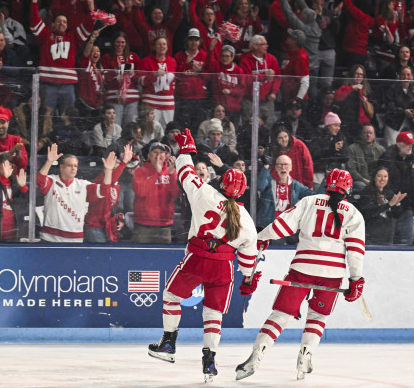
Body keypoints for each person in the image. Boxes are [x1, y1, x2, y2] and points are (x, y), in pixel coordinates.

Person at [147, 128, 258, 383]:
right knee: (213, 314)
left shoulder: (205, 192)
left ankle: (168, 343)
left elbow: (185, 173)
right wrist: (250, 278)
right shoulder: (247, 221)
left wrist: (187, 149)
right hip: (223, 269)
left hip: (197, 260)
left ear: (221, 182)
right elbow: (248, 260)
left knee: (170, 296)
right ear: (242, 192)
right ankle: (209, 361)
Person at [235, 169, 365, 382]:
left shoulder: (310, 201)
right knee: (317, 316)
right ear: (348, 189)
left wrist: (262, 237)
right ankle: (305, 357)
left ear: (327, 184)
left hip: (302, 268)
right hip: (331, 274)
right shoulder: (353, 213)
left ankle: (257, 354)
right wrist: (356, 279)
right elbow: (355, 251)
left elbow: (283, 225)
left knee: (281, 314)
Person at [36, 144, 92, 243]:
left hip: (75, 239)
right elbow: (39, 181)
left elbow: (104, 190)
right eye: (70, 165)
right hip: (50, 237)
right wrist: (49, 161)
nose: (73, 168)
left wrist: (110, 169)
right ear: (61, 167)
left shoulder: (83, 185)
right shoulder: (52, 180)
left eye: (75, 166)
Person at [378, 131, 414, 245]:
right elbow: (382, 183)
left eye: (411, 143)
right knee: (388, 241)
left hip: (406, 205)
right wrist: (390, 201)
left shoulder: (412, 158)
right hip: (390, 206)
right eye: (407, 143)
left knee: (406, 242)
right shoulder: (387, 157)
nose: (410, 146)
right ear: (398, 144)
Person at [132, 141, 180, 243]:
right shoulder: (140, 171)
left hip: (164, 225)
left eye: (161, 152)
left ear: (165, 156)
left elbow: (176, 194)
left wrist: (172, 174)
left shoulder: (171, 172)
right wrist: (157, 174)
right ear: (149, 155)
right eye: (155, 152)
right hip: (144, 225)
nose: (158, 155)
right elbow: (141, 191)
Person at [83, 147, 133, 243]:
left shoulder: (117, 187)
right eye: (111, 168)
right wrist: (124, 162)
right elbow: (109, 182)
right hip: (93, 227)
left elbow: (111, 208)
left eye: (116, 169)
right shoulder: (100, 180)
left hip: (105, 227)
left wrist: (118, 220)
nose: (115, 171)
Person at [256, 154, 314, 232]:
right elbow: (260, 186)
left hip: (286, 227)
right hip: (268, 227)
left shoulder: (295, 185)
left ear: (291, 168)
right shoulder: (270, 181)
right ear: (276, 168)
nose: (283, 168)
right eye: (280, 165)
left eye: (286, 165)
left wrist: (325, 182)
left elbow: (314, 196)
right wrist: (266, 167)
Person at [357, 166, 406, 245]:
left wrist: (397, 205)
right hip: (371, 238)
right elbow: (367, 212)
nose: (382, 179)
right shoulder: (367, 192)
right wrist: (389, 204)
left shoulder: (389, 193)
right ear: (374, 177)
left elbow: (396, 215)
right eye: (379, 176)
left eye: (385, 176)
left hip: (387, 237)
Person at [346, 124, 385, 192]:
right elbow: (351, 170)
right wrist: (364, 180)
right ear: (361, 134)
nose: (368, 135)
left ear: (374, 135)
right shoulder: (352, 149)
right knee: (362, 186)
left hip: (378, 181)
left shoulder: (381, 150)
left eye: (370, 133)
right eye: (365, 132)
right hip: (359, 181)